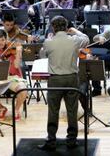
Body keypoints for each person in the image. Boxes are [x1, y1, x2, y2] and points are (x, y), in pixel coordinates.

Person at [37, 16, 89, 151]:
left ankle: (51, 141)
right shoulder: (75, 40)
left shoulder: (48, 42)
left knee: (53, 110)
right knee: (72, 110)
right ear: (66, 27)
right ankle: (71, 140)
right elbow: (86, 39)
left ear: (53, 27)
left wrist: (48, 39)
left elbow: (43, 56)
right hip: (71, 78)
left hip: (55, 80)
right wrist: (75, 31)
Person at [0, 29, 28, 121]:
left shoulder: (13, 49)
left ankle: (16, 109)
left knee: (23, 90)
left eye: (2, 40)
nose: (1, 43)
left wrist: (18, 53)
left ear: (6, 39)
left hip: (13, 77)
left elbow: (16, 65)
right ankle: (2, 108)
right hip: (1, 78)